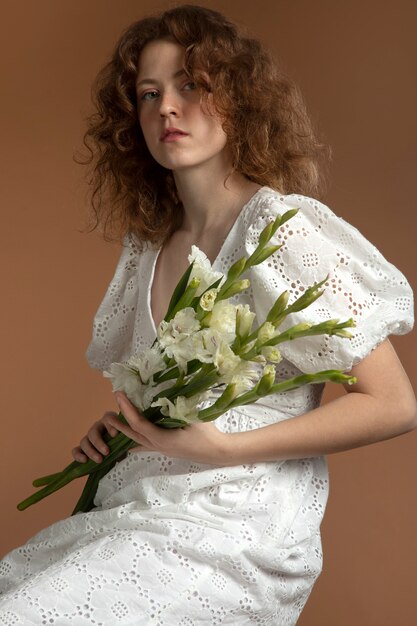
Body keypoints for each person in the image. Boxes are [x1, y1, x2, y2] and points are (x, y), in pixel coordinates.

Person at [0, 4, 415, 624]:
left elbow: (394, 404)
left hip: (234, 526)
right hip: (137, 505)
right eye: (148, 93)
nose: (167, 107)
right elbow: (192, 386)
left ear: (238, 100)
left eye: (191, 85)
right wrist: (131, 427)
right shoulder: (148, 245)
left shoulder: (281, 232)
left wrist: (219, 449)